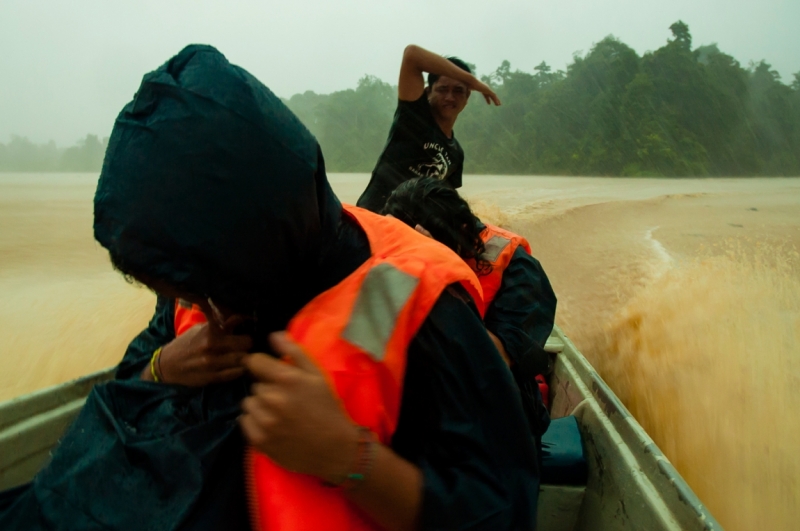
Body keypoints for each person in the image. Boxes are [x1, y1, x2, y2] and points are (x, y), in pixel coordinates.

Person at [0, 46, 539, 530]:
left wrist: (351, 459)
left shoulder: (391, 298)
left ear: (246, 241)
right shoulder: (193, 277)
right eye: (182, 294)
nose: (206, 311)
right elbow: (131, 380)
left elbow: (500, 506)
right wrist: (161, 367)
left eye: (202, 289)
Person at [383, 177, 557, 440]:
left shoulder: (518, 267)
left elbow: (492, 360)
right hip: (421, 401)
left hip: (493, 417)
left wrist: (436, 271)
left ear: (462, 231)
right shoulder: (390, 253)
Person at [356, 45, 500, 213]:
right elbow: (412, 54)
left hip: (407, 226)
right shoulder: (413, 117)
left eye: (458, 90)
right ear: (428, 92)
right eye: (442, 89)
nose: (450, 97)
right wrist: (473, 81)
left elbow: (446, 201)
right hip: (373, 217)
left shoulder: (456, 154)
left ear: (467, 97)